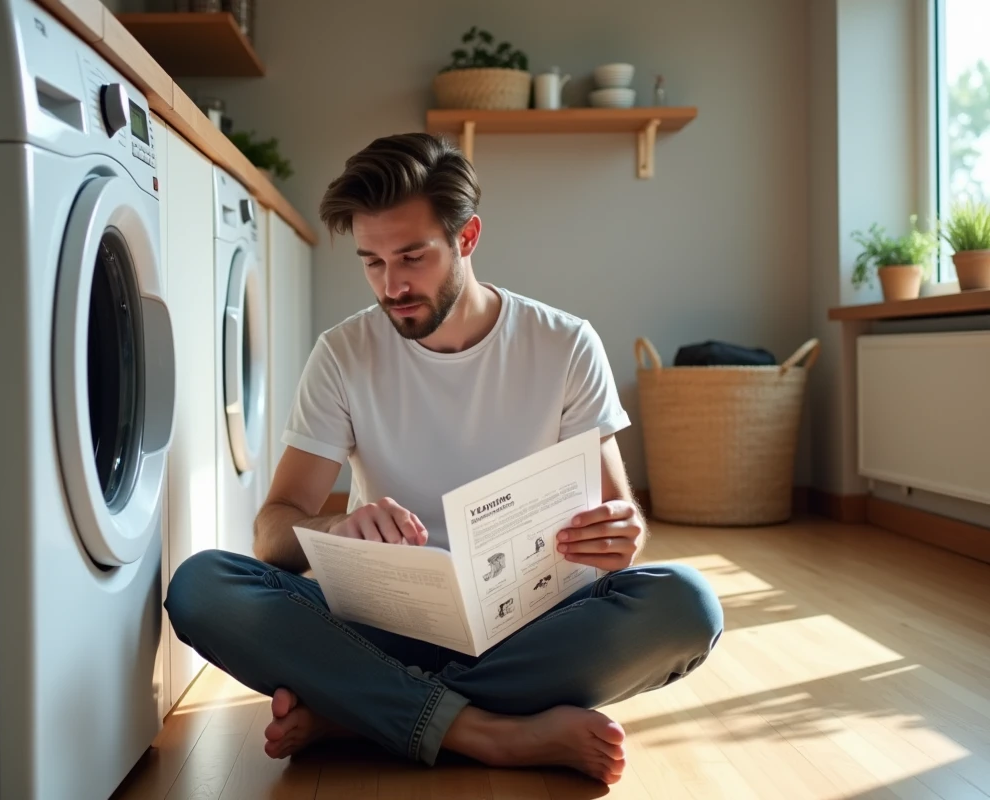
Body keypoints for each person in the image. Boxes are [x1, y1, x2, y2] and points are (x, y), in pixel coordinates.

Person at [164, 132, 723, 784]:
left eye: (411, 256)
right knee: (202, 586)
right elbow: (271, 531)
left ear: (467, 237)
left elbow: (619, 518)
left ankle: (359, 712)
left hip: (527, 630)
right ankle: (486, 733)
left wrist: (620, 535)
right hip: (379, 624)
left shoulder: (565, 345)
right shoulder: (344, 354)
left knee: (687, 605)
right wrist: (334, 531)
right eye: (371, 262)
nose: (392, 285)